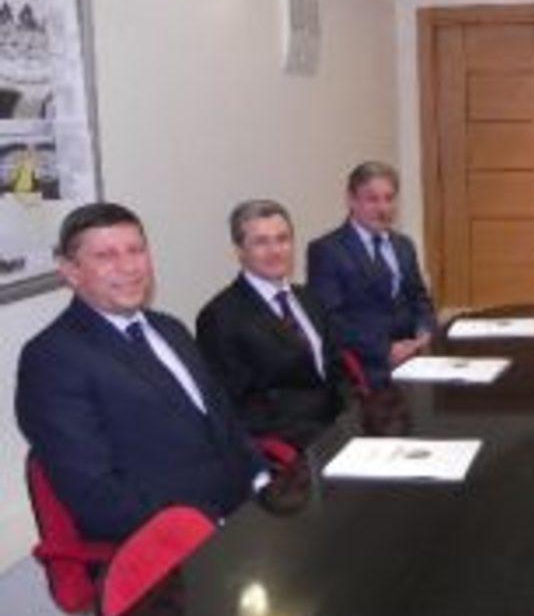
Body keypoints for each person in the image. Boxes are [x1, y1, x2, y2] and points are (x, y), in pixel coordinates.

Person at [15, 203, 266, 541]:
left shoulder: (171, 329)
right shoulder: (52, 359)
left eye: (136, 250)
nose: (129, 267)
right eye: (106, 256)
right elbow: (97, 498)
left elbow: (225, 421)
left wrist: (262, 478)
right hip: (173, 542)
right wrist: (206, 527)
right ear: (71, 272)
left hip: (246, 511)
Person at [197, 200, 346, 448]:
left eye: (282, 239)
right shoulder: (219, 317)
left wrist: (353, 418)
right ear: (239, 250)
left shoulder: (309, 299)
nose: (275, 251)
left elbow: (335, 369)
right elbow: (238, 408)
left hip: (340, 430)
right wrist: (314, 440)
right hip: (289, 449)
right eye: (261, 242)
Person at [307, 161, 436, 389]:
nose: (383, 208)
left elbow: (419, 298)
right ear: (351, 200)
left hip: (416, 354)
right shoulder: (327, 250)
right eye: (372, 199)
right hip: (366, 364)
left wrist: (424, 332)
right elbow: (330, 320)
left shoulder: (404, 246)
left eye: (389, 198)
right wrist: (385, 350)